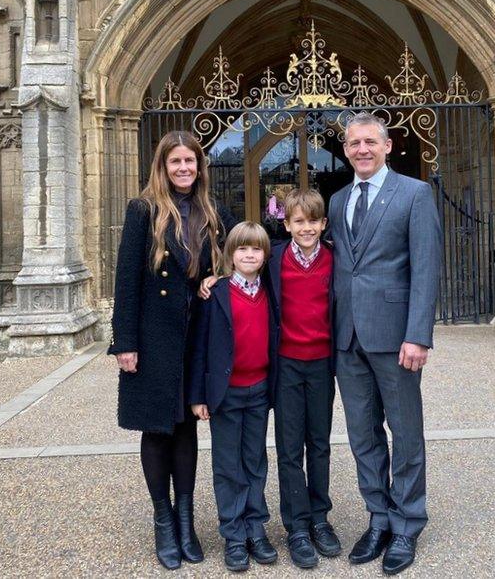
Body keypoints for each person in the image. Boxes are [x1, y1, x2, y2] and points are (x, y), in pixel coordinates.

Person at [109, 130, 236, 570]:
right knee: (157, 428)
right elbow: (126, 279)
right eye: (175, 162)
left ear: (200, 167)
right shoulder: (143, 210)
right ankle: (163, 518)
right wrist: (124, 343)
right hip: (154, 335)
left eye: (191, 162)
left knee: (186, 429)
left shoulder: (211, 211)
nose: (184, 169)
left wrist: (217, 277)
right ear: (162, 167)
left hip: (195, 334)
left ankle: (186, 518)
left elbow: (240, 255)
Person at [326, 112, 442, 575]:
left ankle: (408, 523)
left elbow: (426, 267)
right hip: (347, 336)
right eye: (354, 143)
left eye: (370, 142)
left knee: (405, 431)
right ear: (346, 148)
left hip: (396, 337)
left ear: (388, 145)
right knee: (362, 434)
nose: (362, 150)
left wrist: (418, 335)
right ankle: (378, 517)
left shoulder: (414, 194)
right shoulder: (337, 200)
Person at [189, 222, 280, 572]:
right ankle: (233, 533)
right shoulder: (216, 294)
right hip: (225, 395)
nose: (249, 254)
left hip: (259, 391)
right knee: (228, 466)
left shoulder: (270, 289)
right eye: (242, 249)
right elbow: (199, 347)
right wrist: (199, 396)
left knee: (255, 461)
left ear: (265, 255)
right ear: (230, 254)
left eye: (256, 249)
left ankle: (256, 528)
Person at [265, 188, 341, 569]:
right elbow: (239, 268)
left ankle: (319, 518)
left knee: (320, 443)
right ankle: (296, 524)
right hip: (287, 364)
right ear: (286, 224)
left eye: (313, 221)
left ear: (323, 224)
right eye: (299, 221)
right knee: (290, 447)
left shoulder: (335, 258)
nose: (306, 228)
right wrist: (214, 280)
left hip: (322, 363)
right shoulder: (273, 258)